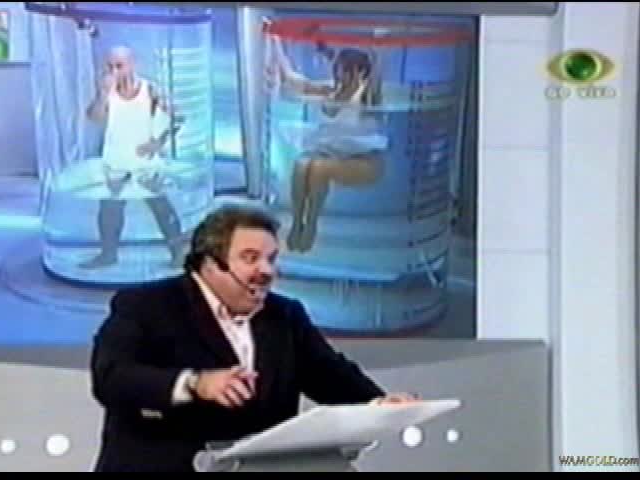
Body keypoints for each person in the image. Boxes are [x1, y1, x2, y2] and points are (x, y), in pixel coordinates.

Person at [90, 204, 417, 472]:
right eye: (250, 258)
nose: (267, 271)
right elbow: (112, 377)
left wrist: (378, 405)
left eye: (271, 259)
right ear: (210, 263)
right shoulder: (146, 305)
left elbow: (330, 374)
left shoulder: (285, 315)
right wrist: (196, 384)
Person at [266, 33, 389, 253]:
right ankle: (297, 223)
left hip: (364, 161)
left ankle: (311, 226)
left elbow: (378, 73)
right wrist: (276, 41)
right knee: (301, 164)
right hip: (330, 154)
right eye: (339, 69)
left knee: (318, 168)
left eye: (345, 70)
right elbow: (292, 81)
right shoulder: (331, 91)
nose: (340, 74)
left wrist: (378, 44)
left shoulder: (367, 96)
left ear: (359, 72)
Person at [80, 46, 185, 269]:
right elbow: (94, 118)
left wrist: (158, 143)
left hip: (145, 163)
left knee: (160, 206)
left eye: (119, 66)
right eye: (109, 67)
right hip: (115, 161)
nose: (114, 71)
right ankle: (108, 255)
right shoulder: (106, 92)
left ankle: (178, 252)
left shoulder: (150, 90)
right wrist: (103, 94)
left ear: (132, 65)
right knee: (110, 210)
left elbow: (179, 116)